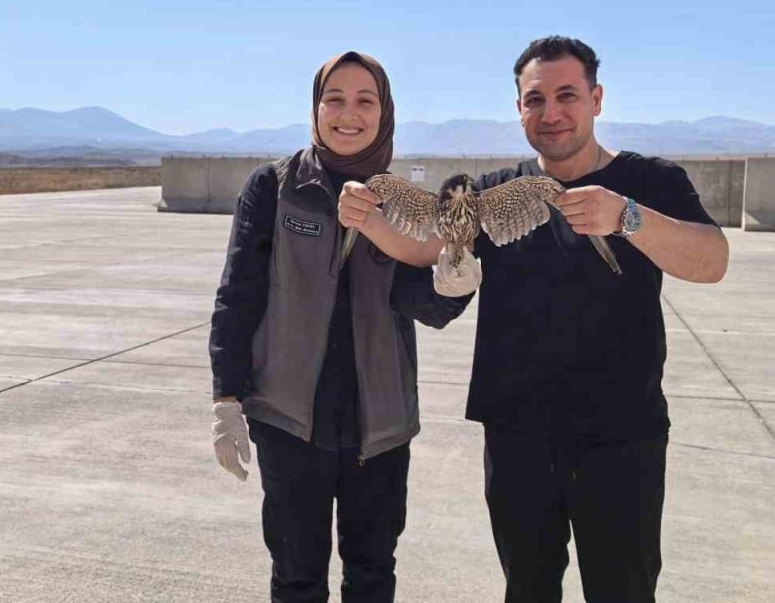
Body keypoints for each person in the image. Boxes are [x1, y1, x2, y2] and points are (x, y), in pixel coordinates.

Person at [339, 36, 730, 602]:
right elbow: (428, 246)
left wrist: (628, 218)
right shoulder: (496, 190)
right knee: (526, 589)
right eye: (535, 99)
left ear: (597, 99)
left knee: (623, 590)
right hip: (517, 434)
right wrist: (370, 220)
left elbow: (712, 260)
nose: (551, 113)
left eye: (567, 95)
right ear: (518, 108)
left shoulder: (652, 181)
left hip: (620, 436)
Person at [208, 51, 467, 603]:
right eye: (335, 99)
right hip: (288, 421)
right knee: (297, 578)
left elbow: (423, 303)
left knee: (372, 575)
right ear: (316, 107)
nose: (349, 114)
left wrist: (453, 283)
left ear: (385, 111)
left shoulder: (402, 203)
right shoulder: (275, 189)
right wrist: (226, 399)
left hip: (380, 423)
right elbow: (239, 295)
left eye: (365, 100)